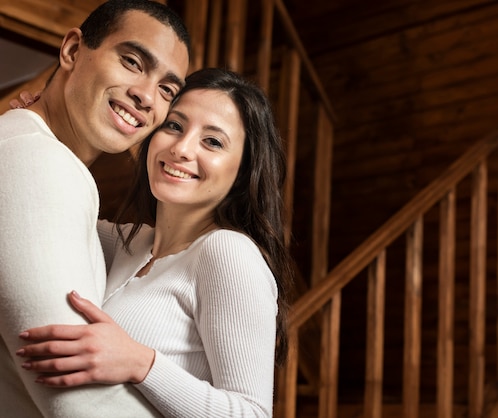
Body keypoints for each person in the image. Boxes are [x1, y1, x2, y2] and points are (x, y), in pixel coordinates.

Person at [15, 68, 294, 418]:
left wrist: (142, 363)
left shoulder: (227, 252)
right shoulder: (130, 244)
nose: (181, 148)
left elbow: (251, 413)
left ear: (243, 171)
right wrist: (39, 126)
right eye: (174, 125)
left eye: (213, 141)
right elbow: (42, 202)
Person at [0, 0, 190, 416]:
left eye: (167, 89)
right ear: (72, 51)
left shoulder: (38, 156)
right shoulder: (37, 161)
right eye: (132, 62)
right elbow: (78, 397)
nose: (145, 96)